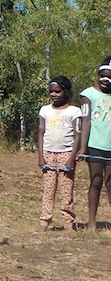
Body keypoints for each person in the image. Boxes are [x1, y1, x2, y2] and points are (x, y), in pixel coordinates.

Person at [37, 76, 81, 231]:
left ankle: (68, 222)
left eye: (57, 91)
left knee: (66, 190)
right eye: (51, 92)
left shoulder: (74, 111)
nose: (54, 94)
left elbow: (77, 135)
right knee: (49, 189)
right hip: (48, 153)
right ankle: (45, 220)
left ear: (66, 92)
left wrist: (72, 157)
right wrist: (41, 155)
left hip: (66, 154)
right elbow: (41, 132)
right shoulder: (45, 110)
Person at [79, 57, 111, 232]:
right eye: (103, 76)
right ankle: (92, 222)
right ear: (98, 75)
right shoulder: (88, 95)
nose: (106, 81)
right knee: (96, 180)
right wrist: (82, 148)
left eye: (110, 77)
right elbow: (85, 121)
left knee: (110, 183)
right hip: (95, 145)